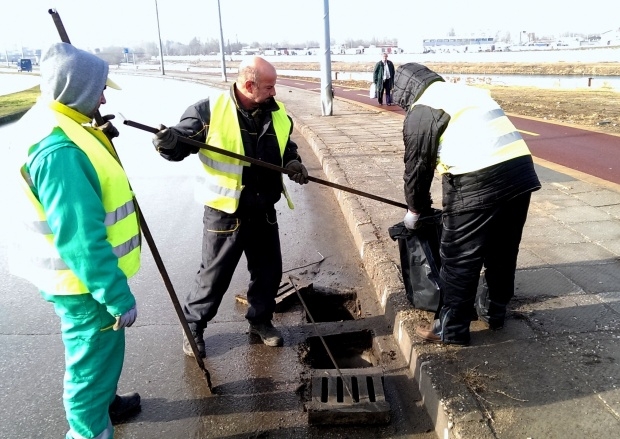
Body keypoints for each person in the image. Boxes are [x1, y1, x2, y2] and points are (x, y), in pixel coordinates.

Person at [9, 42, 142, 439]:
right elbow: (81, 238)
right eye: (99, 89)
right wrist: (115, 294)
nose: (103, 96)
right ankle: (88, 431)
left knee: (101, 356)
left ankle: (106, 402)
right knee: (90, 365)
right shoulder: (59, 149)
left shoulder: (59, 122)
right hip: (83, 284)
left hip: (81, 278)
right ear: (77, 90)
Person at [152, 56, 309, 358]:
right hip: (226, 214)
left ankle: (260, 321)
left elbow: (286, 144)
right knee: (213, 278)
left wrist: (292, 162)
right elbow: (180, 143)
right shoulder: (209, 111)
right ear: (249, 85)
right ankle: (193, 327)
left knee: (268, 274)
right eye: (269, 86)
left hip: (263, 209)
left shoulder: (275, 112)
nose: (274, 92)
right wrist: (167, 142)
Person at [391, 62, 541, 346]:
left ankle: (451, 328)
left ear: (405, 92)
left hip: (476, 178)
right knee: (504, 248)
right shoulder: (464, 92)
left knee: (459, 255)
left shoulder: (422, 108)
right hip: (520, 173)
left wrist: (415, 211)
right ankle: (495, 312)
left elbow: (418, 169)